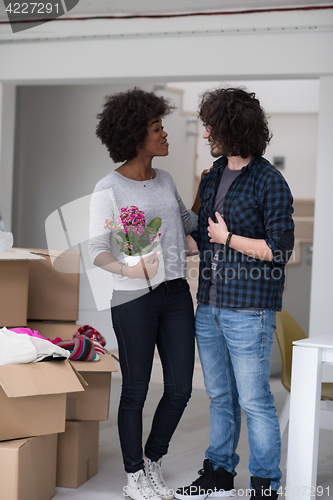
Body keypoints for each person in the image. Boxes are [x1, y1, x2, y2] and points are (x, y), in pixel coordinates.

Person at [175, 87, 294, 500]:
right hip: (208, 305)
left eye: (211, 125)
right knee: (221, 397)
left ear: (231, 126)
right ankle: (219, 475)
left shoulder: (269, 181)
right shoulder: (211, 177)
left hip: (249, 309)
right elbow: (201, 239)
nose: (206, 133)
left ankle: (265, 485)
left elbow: (279, 250)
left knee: (255, 400)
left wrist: (229, 239)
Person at [88, 88, 197, 500]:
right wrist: (127, 267)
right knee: (135, 389)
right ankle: (134, 475)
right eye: (157, 128)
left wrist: (211, 187)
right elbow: (96, 250)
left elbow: (188, 223)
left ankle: (152, 460)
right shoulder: (108, 188)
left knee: (180, 388)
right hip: (132, 297)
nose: (164, 133)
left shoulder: (166, 180)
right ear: (136, 136)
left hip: (175, 294)